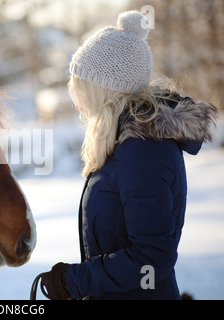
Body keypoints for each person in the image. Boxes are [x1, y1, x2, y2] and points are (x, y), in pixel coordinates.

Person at [39, 10, 218, 300]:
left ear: (106, 89)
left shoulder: (144, 150)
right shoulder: (124, 142)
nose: (78, 98)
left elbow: (150, 258)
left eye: (83, 85)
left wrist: (74, 281)